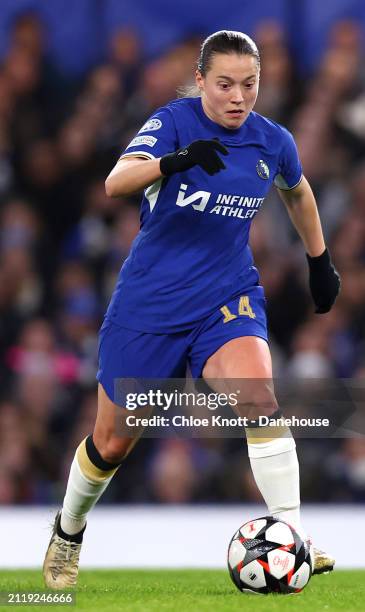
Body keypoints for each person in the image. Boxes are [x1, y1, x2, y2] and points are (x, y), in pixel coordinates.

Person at [43, 30, 340, 588]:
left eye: (249, 85)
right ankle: (69, 528)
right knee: (111, 442)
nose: (237, 97)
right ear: (200, 81)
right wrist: (174, 161)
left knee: (259, 397)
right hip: (150, 303)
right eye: (224, 84)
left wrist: (319, 260)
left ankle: (292, 537)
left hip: (226, 297)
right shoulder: (174, 122)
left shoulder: (271, 141)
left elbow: (297, 190)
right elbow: (115, 182)